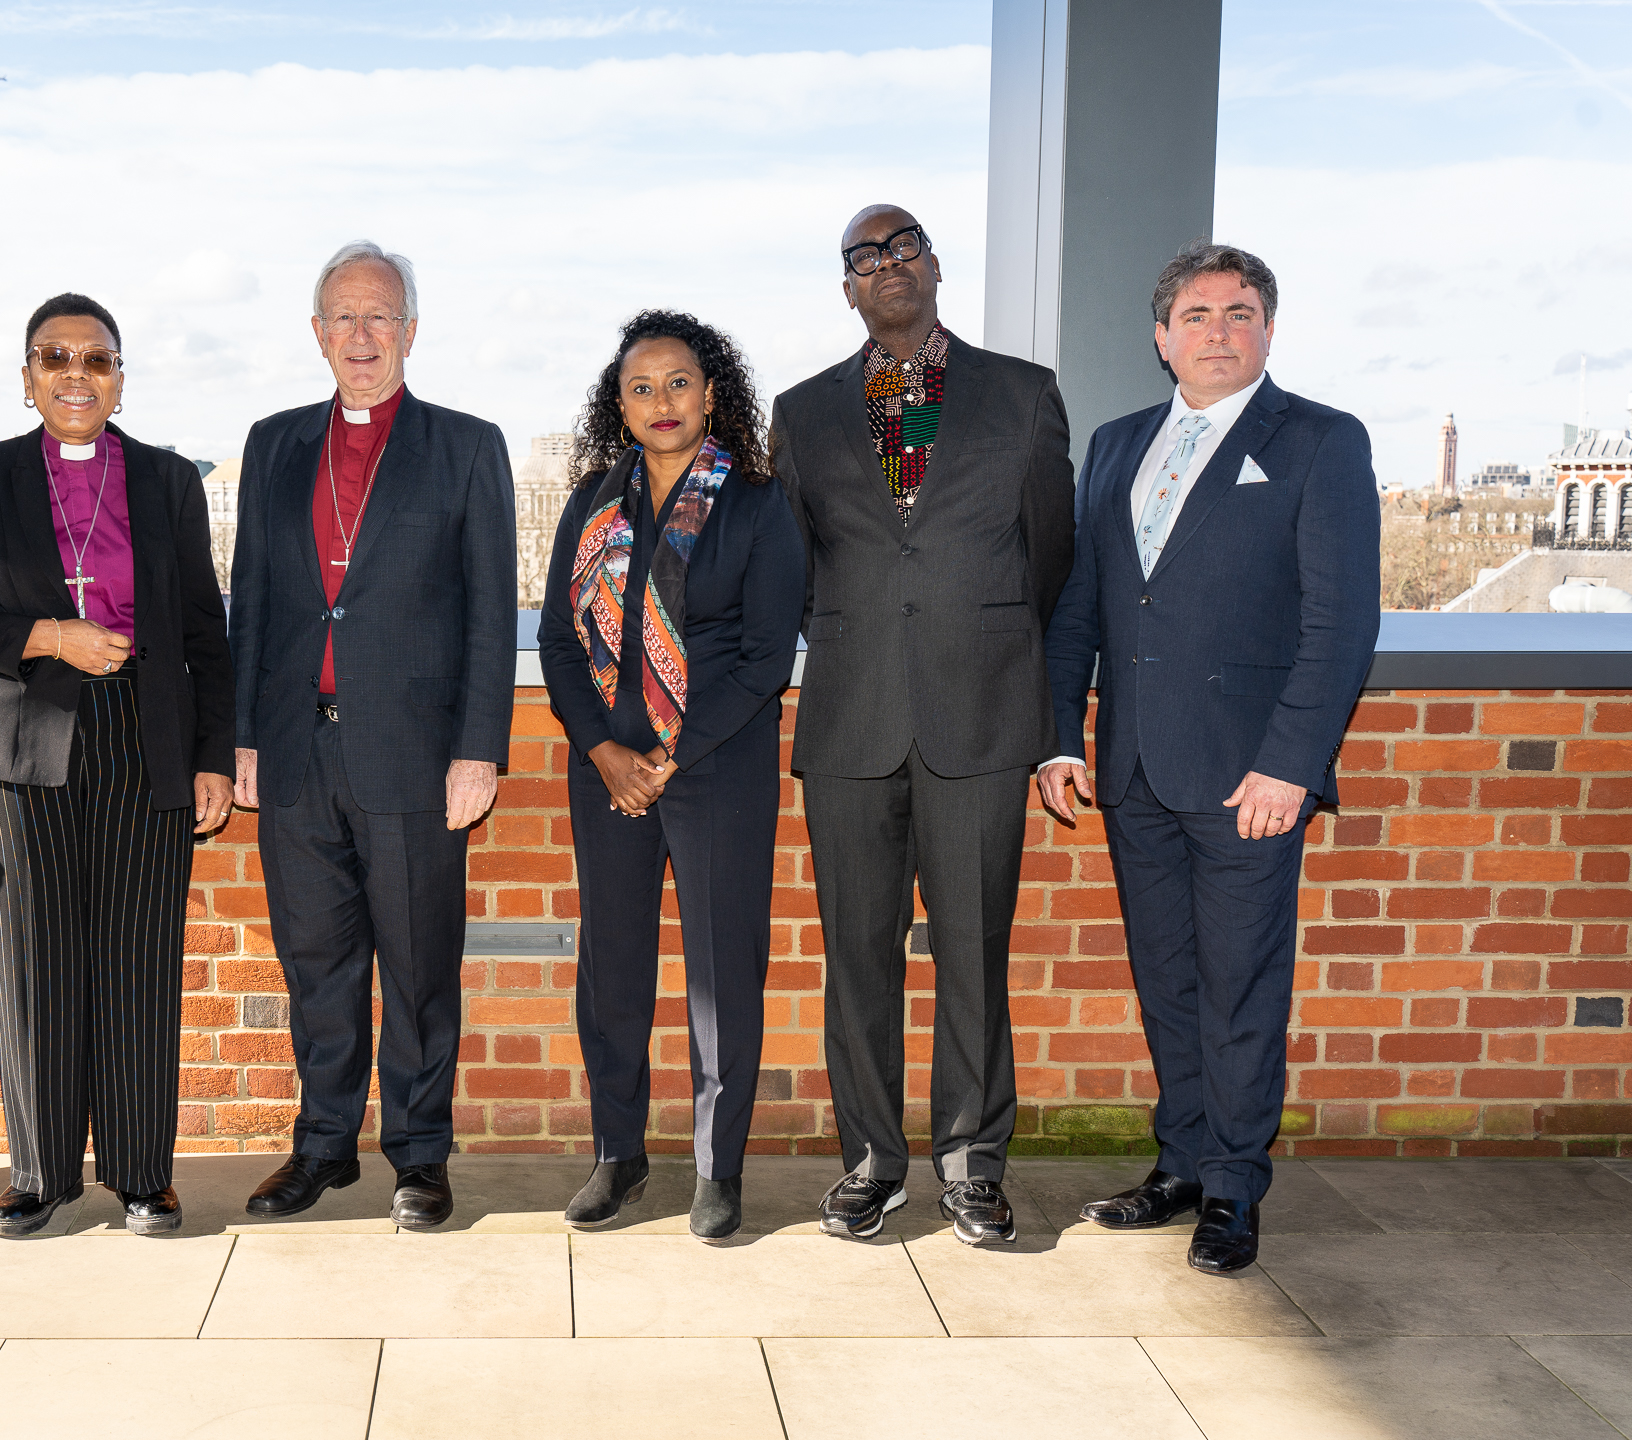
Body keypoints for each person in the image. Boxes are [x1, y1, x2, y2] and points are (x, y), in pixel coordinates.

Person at [1039, 242, 1378, 1275]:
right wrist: (1058, 738)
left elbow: (1340, 623)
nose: (1218, 331)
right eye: (1196, 314)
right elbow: (1083, 607)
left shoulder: (1319, 440)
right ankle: (1182, 1163)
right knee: (1170, 983)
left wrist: (1291, 764)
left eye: (1239, 313)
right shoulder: (1116, 445)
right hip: (1134, 770)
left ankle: (1234, 1187)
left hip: (1249, 780)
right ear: (1162, 337)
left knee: (1241, 987)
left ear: (1268, 330)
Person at [771, 204, 1075, 1246]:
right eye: (865, 257)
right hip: (850, 721)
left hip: (980, 717)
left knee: (974, 953)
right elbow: (797, 568)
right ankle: (871, 1161)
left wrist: (977, 642)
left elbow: (1050, 558)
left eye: (904, 246)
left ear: (935, 266)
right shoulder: (803, 412)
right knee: (856, 956)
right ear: (847, 289)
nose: (888, 264)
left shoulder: (1022, 395)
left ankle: (973, 1163)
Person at [0, 294, 236, 1238]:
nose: (76, 374)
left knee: (139, 957)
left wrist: (213, 757)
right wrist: (48, 635)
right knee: (35, 961)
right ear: (27, 379)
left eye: (96, 359)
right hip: (24, 743)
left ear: (119, 380)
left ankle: (143, 1173)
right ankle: (39, 1174)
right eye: (55, 357)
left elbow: (204, 629)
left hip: (147, 734)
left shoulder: (167, 479)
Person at [229, 242, 517, 1228]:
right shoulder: (273, 444)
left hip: (415, 756)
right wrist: (243, 736)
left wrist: (479, 749)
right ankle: (323, 1146)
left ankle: (420, 1155)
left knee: (420, 968)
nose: (362, 335)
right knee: (317, 965)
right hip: (296, 752)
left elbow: (491, 610)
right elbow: (252, 599)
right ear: (318, 334)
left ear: (410, 331)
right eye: (343, 318)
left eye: (380, 316)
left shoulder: (467, 446)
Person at [537, 313, 803, 1243]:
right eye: (641, 387)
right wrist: (606, 752)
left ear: (711, 393)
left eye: (679, 382)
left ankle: (717, 1169)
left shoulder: (757, 502)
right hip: (608, 770)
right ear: (619, 405)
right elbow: (557, 639)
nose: (662, 401)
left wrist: (670, 756)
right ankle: (619, 1154)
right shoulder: (592, 503)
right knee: (613, 968)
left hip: (717, 766)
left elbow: (766, 656)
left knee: (722, 971)